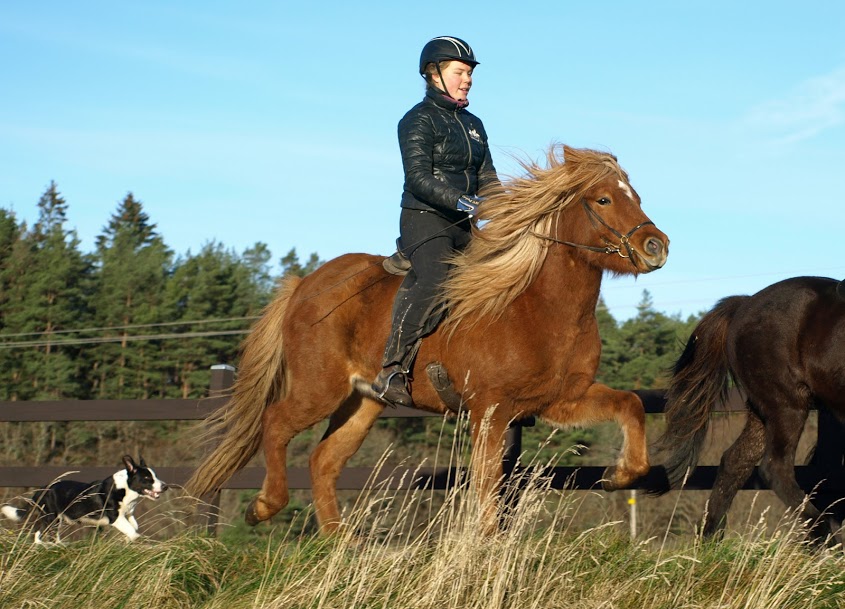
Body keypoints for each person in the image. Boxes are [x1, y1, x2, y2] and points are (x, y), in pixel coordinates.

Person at [372, 36, 499, 408]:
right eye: (460, 72)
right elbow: (418, 178)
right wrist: (464, 201)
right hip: (425, 218)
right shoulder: (416, 120)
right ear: (434, 73)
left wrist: (505, 206)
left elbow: (488, 176)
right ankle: (392, 367)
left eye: (470, 73)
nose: (468, 79)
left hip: (465, 223)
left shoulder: (475, 124)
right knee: (435, 279)